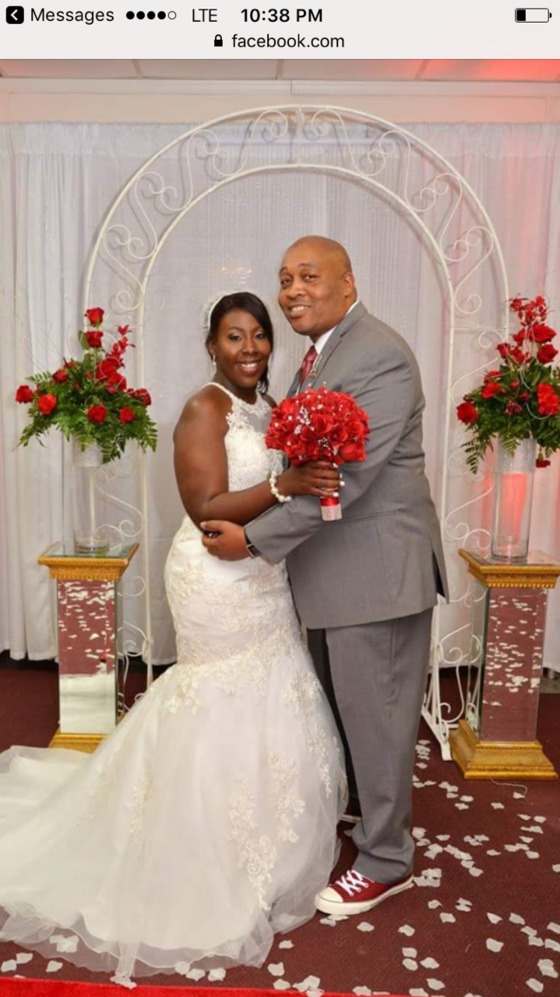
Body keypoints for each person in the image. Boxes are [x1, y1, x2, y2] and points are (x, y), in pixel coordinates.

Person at [0, 291, 346, 981]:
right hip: (213, 575)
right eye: (234, 336)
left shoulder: (270, 408)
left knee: (274, 682)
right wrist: (285, 485)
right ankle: (198, 838)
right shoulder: (203, 409)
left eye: (259, 335)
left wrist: (302, 482)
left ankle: (267, 842)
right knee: (215, 693)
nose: (250, 348)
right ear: (211, 344)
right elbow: (205, 505)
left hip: (262, 571)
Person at [202, 237, 449, 918]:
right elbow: (304, 469)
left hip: (377, 573)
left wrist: (254, 541)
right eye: (284, 279)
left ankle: (387, 858)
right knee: (352, 714)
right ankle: (369, 812)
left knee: (380, 719)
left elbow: (346, 479)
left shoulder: (378, 355)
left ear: (348, 282)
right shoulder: (323, 355)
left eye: (308, 276)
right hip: (334, 572)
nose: (292, 291)